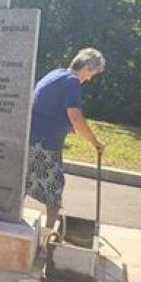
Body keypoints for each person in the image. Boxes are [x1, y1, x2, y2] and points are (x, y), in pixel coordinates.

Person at [26, 48, 106, 227]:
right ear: (86, 68)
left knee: (25, 181)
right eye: (91, 74)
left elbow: (46, 105)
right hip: (44, 143)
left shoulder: (56, 74)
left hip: (30, 138)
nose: (89, 79)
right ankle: (50, 234)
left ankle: (14, 222)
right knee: (54, 186)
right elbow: (75, 115)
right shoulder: (72, 82)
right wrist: (95, 142)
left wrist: (65, 125)